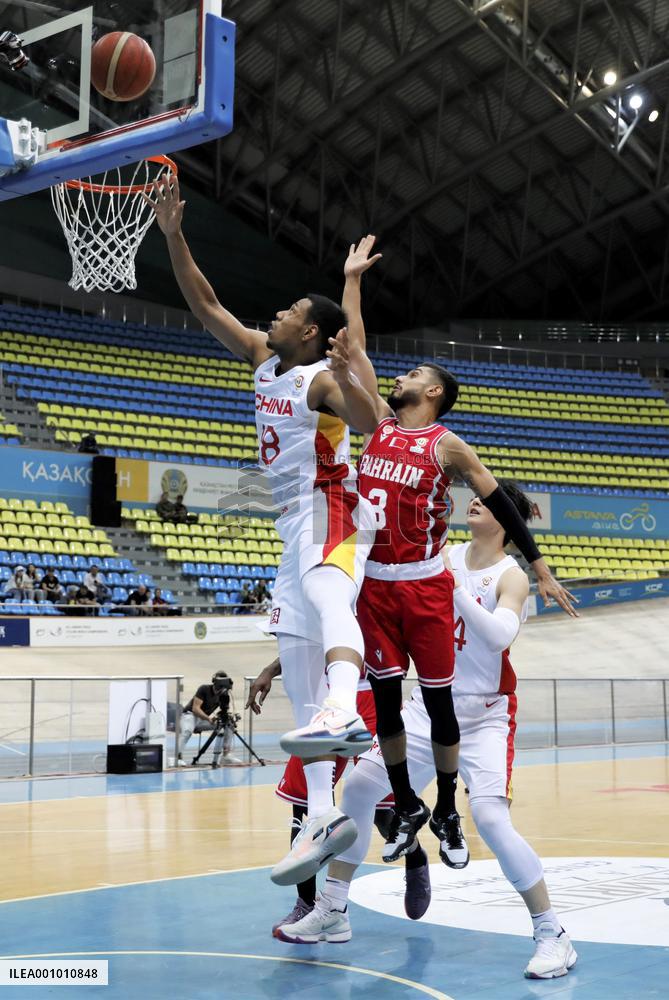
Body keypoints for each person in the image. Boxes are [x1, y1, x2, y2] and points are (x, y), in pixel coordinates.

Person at [147, 177, 380, 886]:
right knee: (295, 658)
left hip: (331, 505)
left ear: (308, 332)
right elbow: (205, 303)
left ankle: (346, 705)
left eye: (287, 312)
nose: (274, 315)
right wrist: (174, 236)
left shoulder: (319, 382)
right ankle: (321, 815)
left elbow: (372, 424)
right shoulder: (261, 360)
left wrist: (351, 371)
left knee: (327, 599)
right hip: (291, 523)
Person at [276, 481, 578, 982]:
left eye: (488, 500)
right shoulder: (444, 554)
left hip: (484, 715)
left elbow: (499, 636)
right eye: (475, 497)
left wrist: (449, 587)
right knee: (359, 789)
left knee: (491, 819)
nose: (475, 500)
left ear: (507, 519)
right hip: (427, 708)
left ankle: (552, 932)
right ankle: (333, 909)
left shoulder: (510, 576)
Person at [340, 236, 578, 865]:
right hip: (375, 584)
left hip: (423, 583)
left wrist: (539, 566)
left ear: (434, 394)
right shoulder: (379, 423)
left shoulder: (447, 445)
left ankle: (447, 807)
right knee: (387, 705)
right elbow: (356, 348)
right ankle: (406, 803)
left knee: (437, 702)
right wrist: (353, 280)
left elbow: (504, 504)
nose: (402, 376)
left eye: (415, 376)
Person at [246, 657, 394, 933]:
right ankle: (306, 904)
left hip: (373, 696)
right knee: (302, 808)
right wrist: (270, 669)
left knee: (383, 814)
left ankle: (415, 856)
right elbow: (305, 640)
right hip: (326, 702)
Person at [179, 671, 240, 766]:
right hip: (190, 715)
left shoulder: (223, 694)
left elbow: (224, 709)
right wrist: (208, 718)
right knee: (187, 731)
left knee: (229, 725)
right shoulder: (204, 689)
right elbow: (195, 709)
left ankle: (226, 755)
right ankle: (177, 757)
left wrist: (222, 717)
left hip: (203, 719)